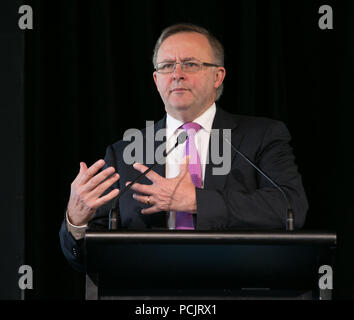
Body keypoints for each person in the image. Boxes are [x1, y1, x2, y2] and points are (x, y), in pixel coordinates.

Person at [59, 23, 308, 271]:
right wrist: (76, 222)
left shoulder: (261, 137)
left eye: (190, 64)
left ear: (217, 76)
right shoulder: (124, 152)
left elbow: (290, 208)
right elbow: (87, 256)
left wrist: (197, 201)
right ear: (157, 80)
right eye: (167, 66)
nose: (177, 74)